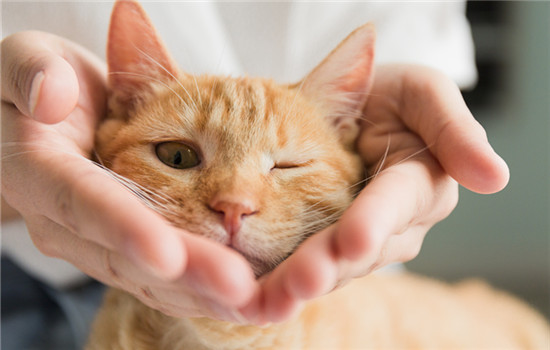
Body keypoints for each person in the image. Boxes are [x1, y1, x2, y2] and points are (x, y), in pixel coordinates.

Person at [1, 2, 509, 349]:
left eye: (288, 167)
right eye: (178, 156)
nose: (234, 201)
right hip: (35, 276)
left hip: (350, 286)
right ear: (125, 109)